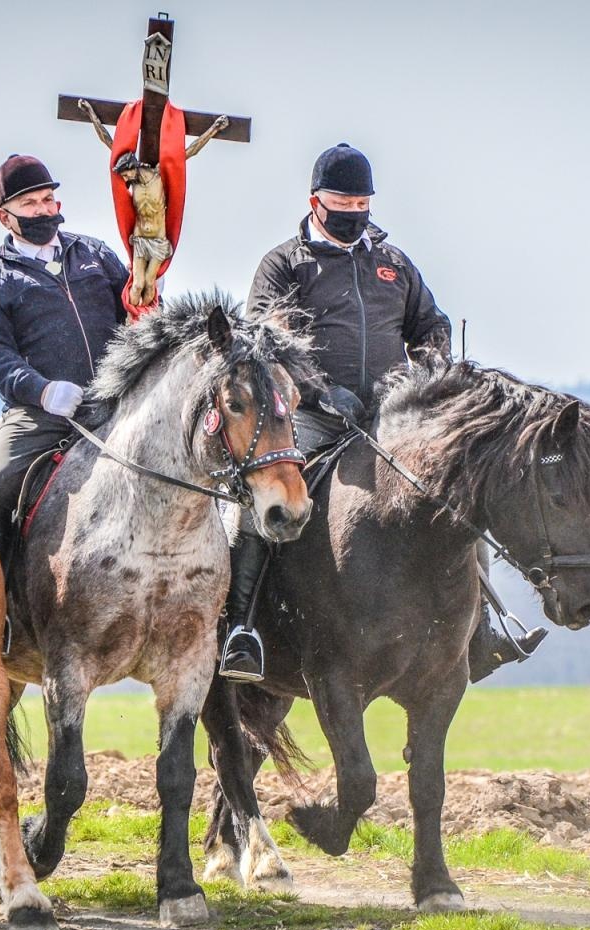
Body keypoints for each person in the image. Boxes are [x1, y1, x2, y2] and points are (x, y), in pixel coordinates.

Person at [223, 143, 528, 682]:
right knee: (253, 507)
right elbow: (267, 342)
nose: (354, 211)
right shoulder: (283, 264)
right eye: (342, 200)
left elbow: (430, 324)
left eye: (362, 202)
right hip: (311, 415)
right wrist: (320, 392)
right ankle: (241, 629)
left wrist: (424, 380)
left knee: (459, 492)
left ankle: (485, 626)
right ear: (315, 200)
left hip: (391, 419)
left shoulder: (393, 263)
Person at [0, 154, 130, 568]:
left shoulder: (96, 252)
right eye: (30, 205)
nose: (44, 210)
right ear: (6, 218)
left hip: (115, 399)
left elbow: (132, 311)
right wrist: (43, 391)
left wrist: (148, 286)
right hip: (41, 414)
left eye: (48, 199)